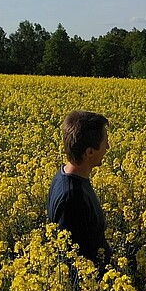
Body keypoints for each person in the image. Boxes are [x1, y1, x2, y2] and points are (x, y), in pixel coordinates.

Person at [47, 110, 112, 271]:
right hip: (88, 286)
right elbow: (70, 257)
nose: (108, 148)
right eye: (105, 143)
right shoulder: (72, 197)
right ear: (90, 152)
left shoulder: (65, 176)